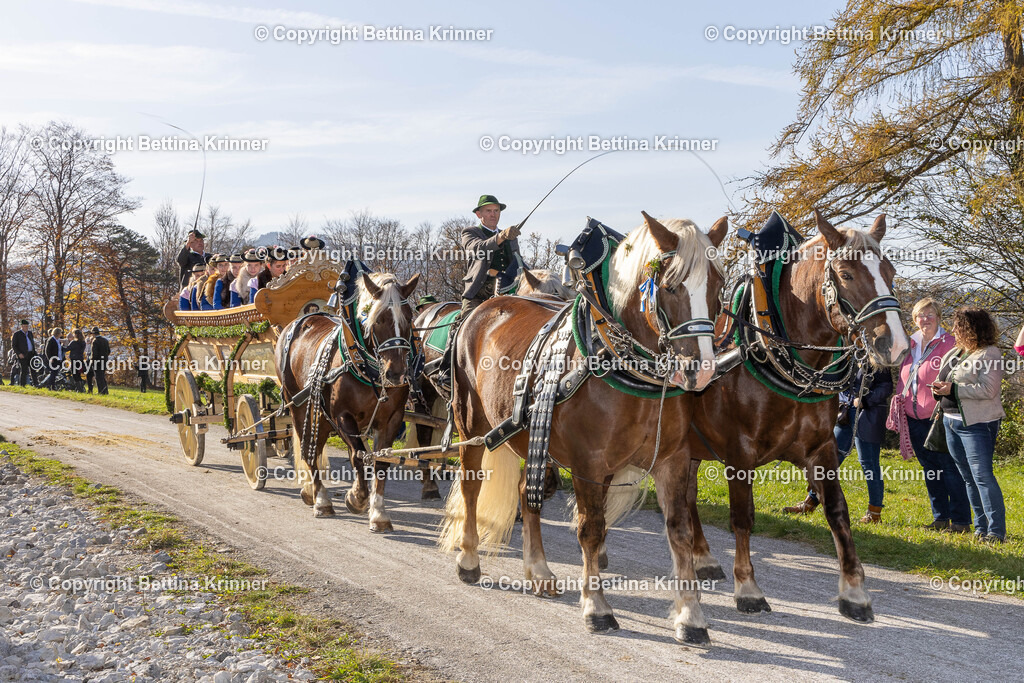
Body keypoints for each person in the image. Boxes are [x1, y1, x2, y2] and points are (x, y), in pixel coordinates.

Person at [888, 299, 970, 532]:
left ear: (938, 317)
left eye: (930, 314)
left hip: (939, 416)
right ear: (914, 319)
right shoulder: (909, 343)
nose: (925, 319)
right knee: (930, 469)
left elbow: (959, 376)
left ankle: (961, 521)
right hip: (912, 417)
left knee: (949, 468)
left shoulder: (950, 343)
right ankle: (940, 518)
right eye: (920, 315)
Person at [932, 307, 1007, 543]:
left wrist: (953, 389)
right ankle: (980, 527)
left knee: (982, 476)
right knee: (968, 477)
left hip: (977, 425)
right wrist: (939, 389)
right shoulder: (956, 351)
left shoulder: (990, 353)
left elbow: (988, 390)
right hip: (950, 422)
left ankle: (996, 532)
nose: (953, 330)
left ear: (971, 328)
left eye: (958, 326)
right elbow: (945, 380)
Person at [782, 368, 893, 522]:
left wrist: (866, 399)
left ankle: (874, 513)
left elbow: (886, 386)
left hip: (867, 414)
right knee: (829, 459)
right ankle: (810, 502)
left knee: (869, 464)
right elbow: (839, 382)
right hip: (845, 413)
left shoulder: (876, 355)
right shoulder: (849, 354)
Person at [460, 195, 523, 317]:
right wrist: (502, 236)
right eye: (488, 211)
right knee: (466, 325)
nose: (493, 214)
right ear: (479, 214)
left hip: (508, 292)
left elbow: (517, 263)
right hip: (477, 293)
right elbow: (478, 248)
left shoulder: (510, 236)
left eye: (496, 211)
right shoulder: (470, 232)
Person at [11, 319, 39, 387]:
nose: (26, 328)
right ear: (22, 326)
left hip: (31, 354)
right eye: (25, 326)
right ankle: (22, 384)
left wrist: (34, 352)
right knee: (24, 370)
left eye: (27, 326)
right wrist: (18, 353)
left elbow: (32, 343)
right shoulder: (17, 334)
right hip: (23, 355)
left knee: (33, 369)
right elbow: (14, 345)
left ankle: (36, 384)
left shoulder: (29, 333)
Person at [90, 327, 111, 395]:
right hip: (104, 361)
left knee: (98, 377)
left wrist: (92, 361)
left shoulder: (95, 341)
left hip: (97, 362)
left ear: (93, 333)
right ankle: (105, 391)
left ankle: (101, 391)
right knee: (102, 376)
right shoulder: (105, 340)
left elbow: (94, 353)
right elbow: (109, 351)